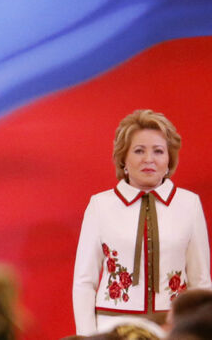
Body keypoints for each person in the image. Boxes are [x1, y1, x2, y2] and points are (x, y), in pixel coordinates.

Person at [73, 110, 211, 335]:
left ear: (169, 160)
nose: (149, 159)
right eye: (139, 151)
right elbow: (84, 282)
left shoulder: (189, 204)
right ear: (123, 159)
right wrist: (87, 337)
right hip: (113, 329)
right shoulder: (100, 205)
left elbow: (201, 281)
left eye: (158, 151)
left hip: (172, 330)